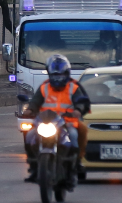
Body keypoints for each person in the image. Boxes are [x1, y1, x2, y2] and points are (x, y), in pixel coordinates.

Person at [23, 54, 91, 187]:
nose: (57, 78)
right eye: (54, 75)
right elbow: (35, 102)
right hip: (46, 122)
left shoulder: (74, 87)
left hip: (67, 122)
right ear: (49, 74)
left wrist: (78, 109)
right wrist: (29, 110)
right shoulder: (45, 87)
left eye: (60, 75)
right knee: (30, 135)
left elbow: (82, 102)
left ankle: (75, 164)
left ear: (66, 74)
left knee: (75, 134)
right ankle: (34, 165)